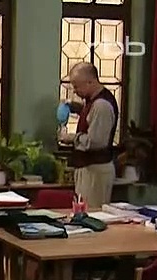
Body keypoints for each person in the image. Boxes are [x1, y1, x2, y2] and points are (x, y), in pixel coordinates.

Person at [58, 62, 119, 208]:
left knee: (91, 212)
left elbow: (96, 142)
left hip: (95, 171)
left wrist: (71, 138)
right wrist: (78, 109)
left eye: (77, 86)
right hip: (88, 169)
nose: (75, 91)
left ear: (90, 82)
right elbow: (92, 120)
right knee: (82, 210)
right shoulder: (92, 101)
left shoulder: (101, 105)